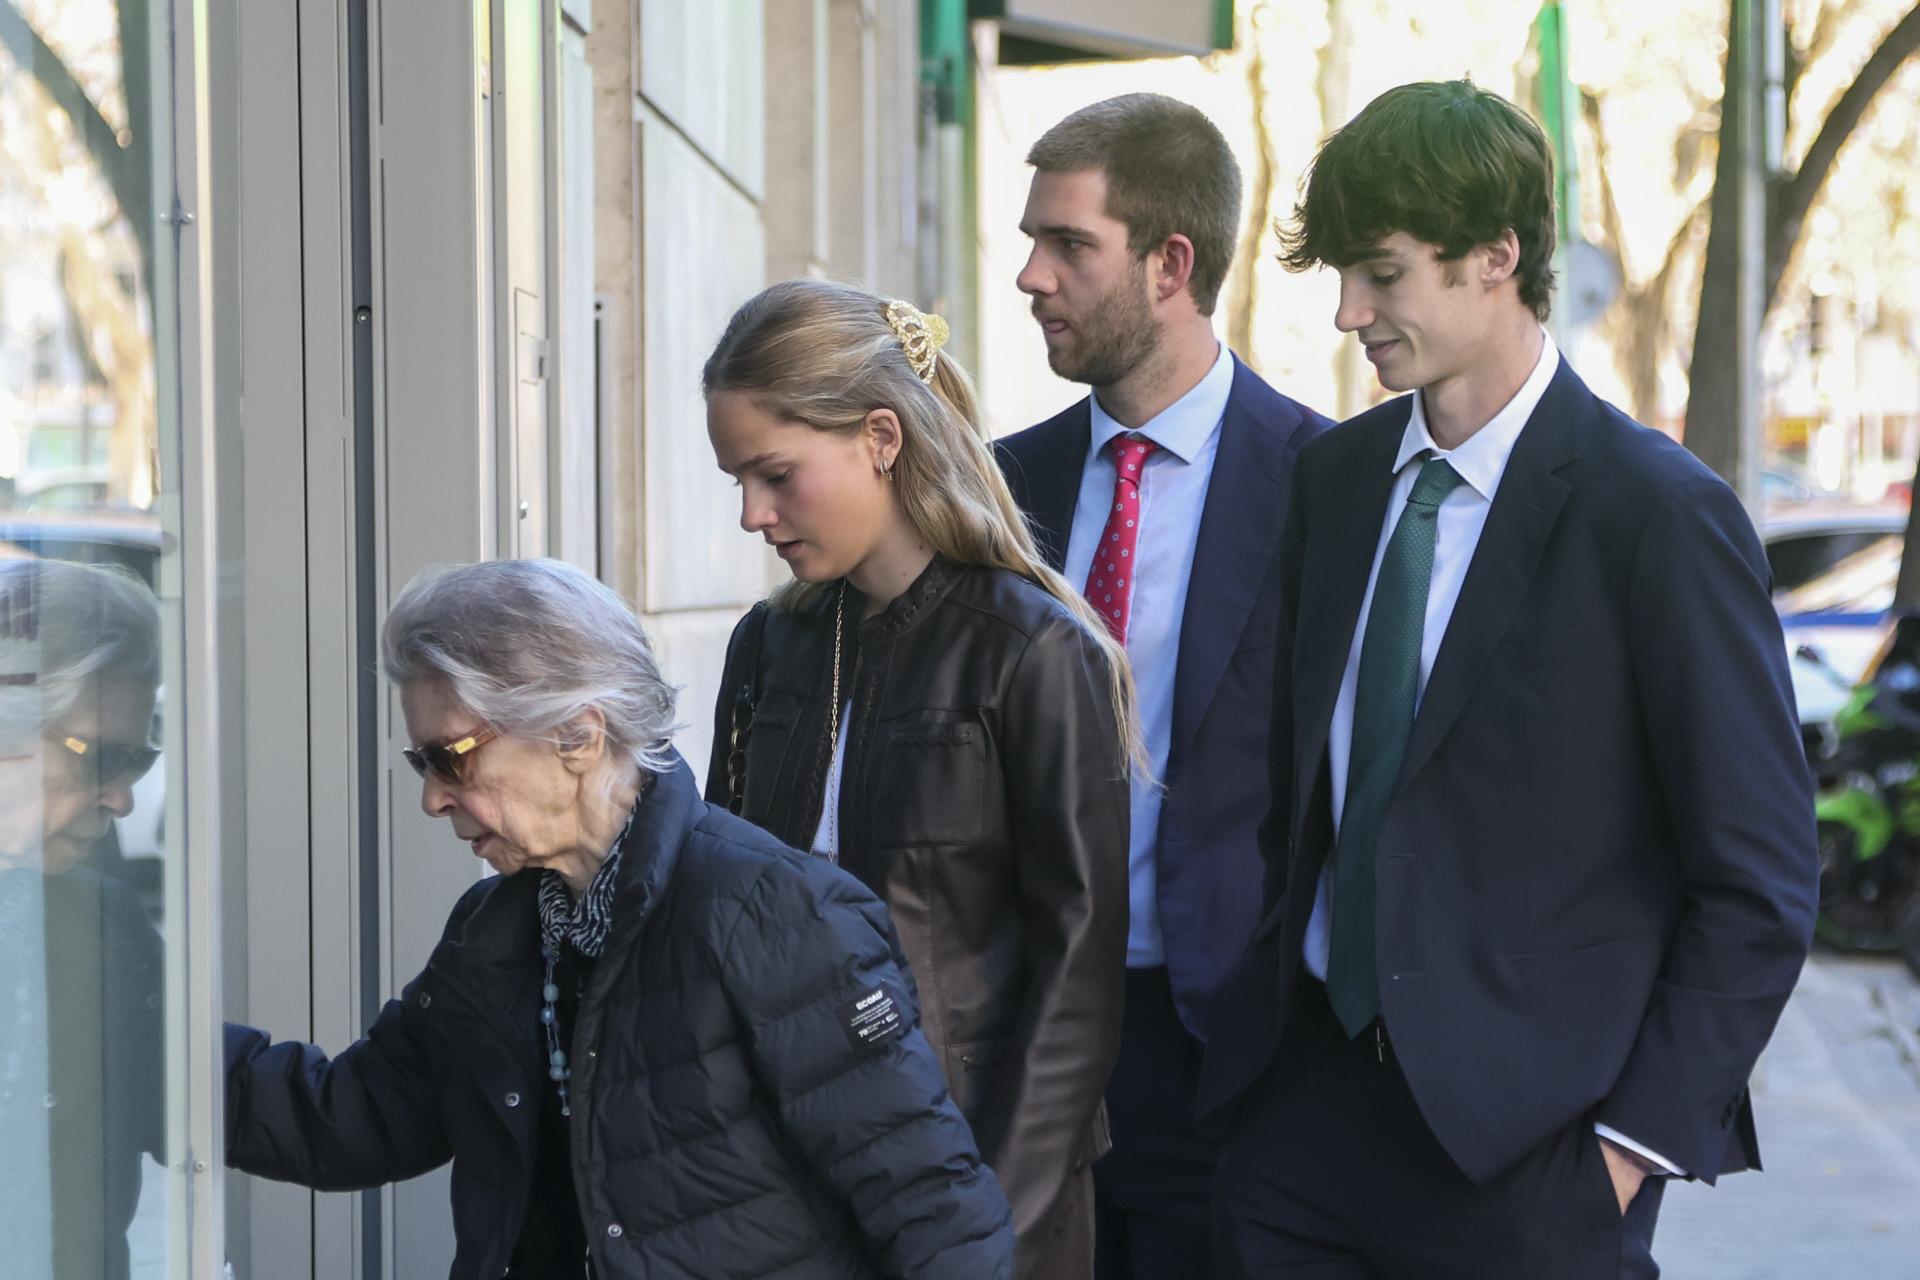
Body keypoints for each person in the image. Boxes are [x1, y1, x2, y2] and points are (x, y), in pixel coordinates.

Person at [1197, 80, 1819, 1279]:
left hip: (1529, 1163)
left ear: (1498, 255)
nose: (1349, 312)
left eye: (1382, 273)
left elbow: (1760, 880)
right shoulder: (1333, 482)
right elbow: (1301, 800)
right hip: (1301, 1128)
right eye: (1343, 276)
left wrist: (1626, 1153)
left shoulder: (1656, 514)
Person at [223, 558, 1013, 1280]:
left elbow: (935, 1212)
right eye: (420, 763)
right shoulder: (496, 931)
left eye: (450, 757)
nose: (432, 797)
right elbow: (348, 1117)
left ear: (577, 735)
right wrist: (162, 1051)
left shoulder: (775, 912)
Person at [704, 279, 1131, 1280]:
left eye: (775, 474)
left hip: (982, 1178)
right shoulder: (769, 645)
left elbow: (1077, 976)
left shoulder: (1031, 650)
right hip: (793, 1185)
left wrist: (989, 1228)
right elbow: (718, 911)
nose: (753, 514)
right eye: (738, 480)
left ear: (881, 437)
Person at [995, 93, 1329, 1280]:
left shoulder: (1323, 483)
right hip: (1026, 1026)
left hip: (1221, 1047)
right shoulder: (1003, 486)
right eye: (1031, 240)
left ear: (1170, 265)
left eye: (1068, 245)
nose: (1030, 276)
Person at [0, 557, 166, 1280]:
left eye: (138, 761)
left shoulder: (104, 927)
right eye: (101, 757)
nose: (122, 799)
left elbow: (218, 1101)